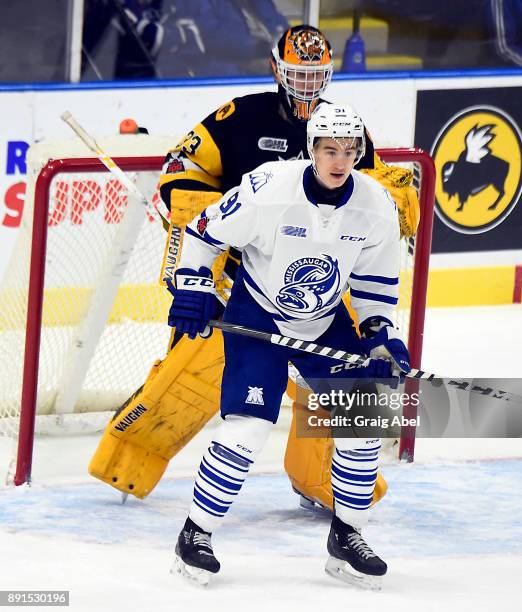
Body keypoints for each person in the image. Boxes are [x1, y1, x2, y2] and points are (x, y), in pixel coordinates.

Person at [90, 24, 419, 510]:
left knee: (345, 381)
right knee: (192, 373)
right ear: (274, 69)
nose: (307, 85)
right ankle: (126, 462)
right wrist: (202, 251)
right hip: (237, 280)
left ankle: (330, 487)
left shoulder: (344, 130)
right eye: (296, 74)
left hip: (313, 285)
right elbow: (182, 167)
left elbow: (367, 203)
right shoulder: (239, 118)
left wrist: (395, 201)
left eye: (316, 75)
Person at [168, 103, 410, 588]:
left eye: (349, 151)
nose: (340, 161)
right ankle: (195, 535)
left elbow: (374, 283)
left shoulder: (376, 204)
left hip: (324, 321)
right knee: (248, 430)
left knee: (363, 419)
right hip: (258, 313)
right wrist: (193, 287)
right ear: (311, 150)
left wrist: (382, 336)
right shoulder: (267, 190)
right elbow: (201, 234)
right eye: (329, 150)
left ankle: (347, 537)